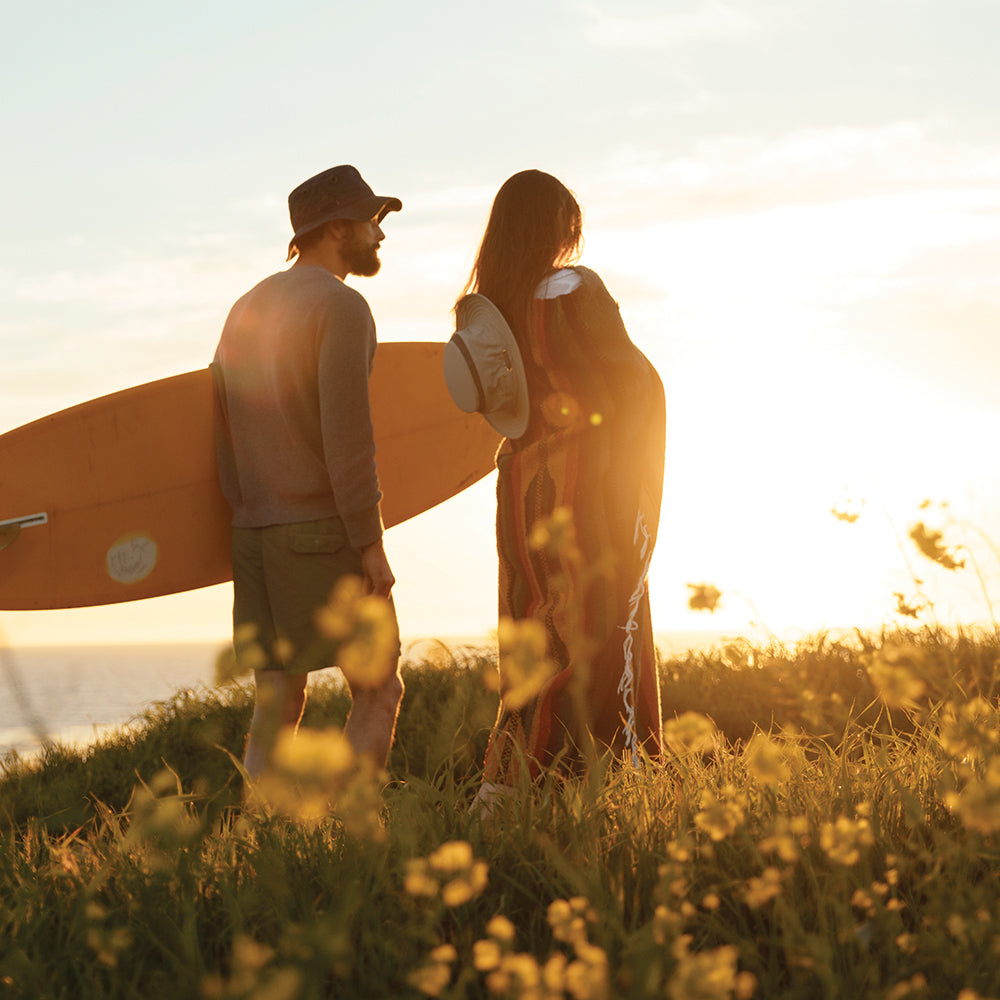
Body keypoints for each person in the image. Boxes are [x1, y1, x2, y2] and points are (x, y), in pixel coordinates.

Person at [456, 169, 665, 792]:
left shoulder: (486, 309)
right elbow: (628, 382)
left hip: (522, 485)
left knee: (533, 624)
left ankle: (509, 782)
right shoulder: (575, 289)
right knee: (604, 619)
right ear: (559, 225)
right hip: (592, 485)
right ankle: (605, 778)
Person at [212, 164, 405, 781]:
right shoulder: (342, 306)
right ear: (336, 228)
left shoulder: (245, 307)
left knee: (277, 702)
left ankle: (261, 843)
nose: (380, 235)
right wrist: (370, 544)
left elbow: (223, 434)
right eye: (372, 222)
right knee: (379, 688)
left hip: (255, 536)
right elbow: (348, 438)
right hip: (323, 531)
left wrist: (248, 518)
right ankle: (351, 840)